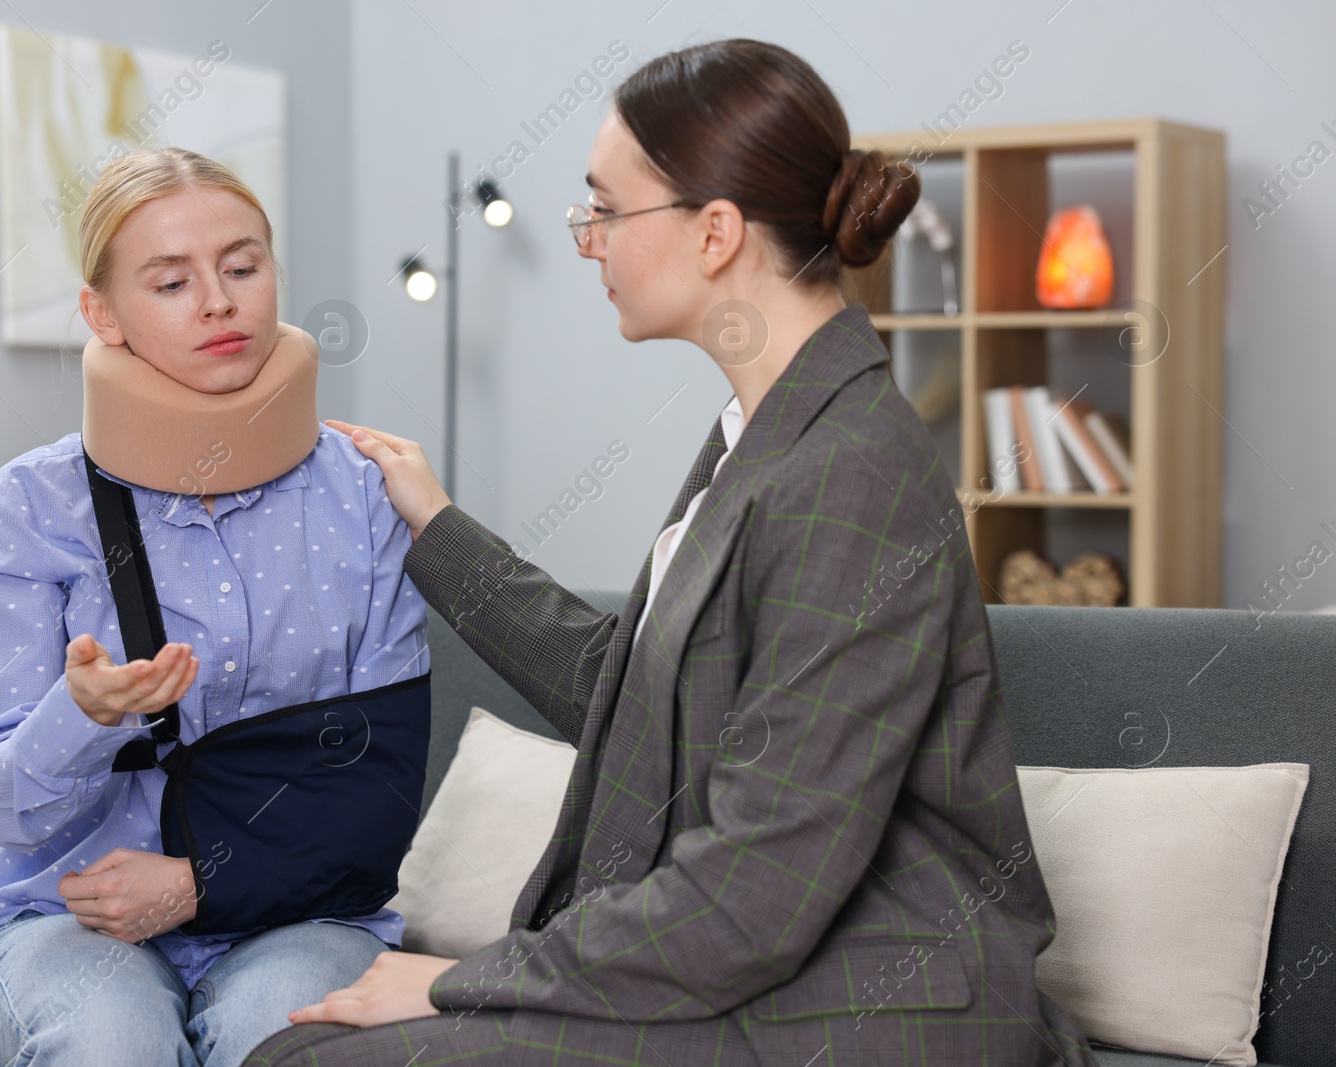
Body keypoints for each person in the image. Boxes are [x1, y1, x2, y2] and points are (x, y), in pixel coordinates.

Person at [251, 38, 1098, 1067]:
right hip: (765, 965)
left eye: (605, 208)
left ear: (715, 232)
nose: (587, 240)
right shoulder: (768, 427)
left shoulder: (849, 470)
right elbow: (642, 701)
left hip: (862, 996)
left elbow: (759, 887)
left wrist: (455, 975)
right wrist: (436, 528)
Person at [0, 146, 430, 1066]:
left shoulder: (363, 494)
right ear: (103, 314)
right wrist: (81, 715)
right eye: (171, 282)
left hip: (305, 912)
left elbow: (382, 786)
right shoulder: (33, 507)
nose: (220, 301)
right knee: (109, 1043)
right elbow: (2, 807)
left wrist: (201, 882)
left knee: (280, 1047)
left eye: (243, 268)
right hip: (67, 908)